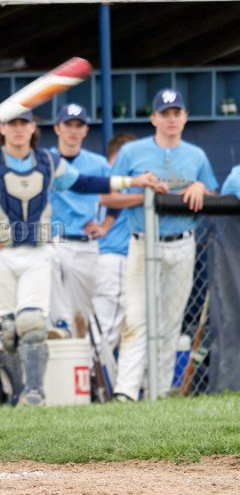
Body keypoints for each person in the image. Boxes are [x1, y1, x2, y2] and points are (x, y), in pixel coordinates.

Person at [0, 111, 159, 407]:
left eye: (24, 123)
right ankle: (16, 392)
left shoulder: (49, 162)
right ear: (1, 129)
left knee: (32, 324)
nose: (18, 129)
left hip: (38, 252)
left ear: (33, 127)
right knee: (7, 331)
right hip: (0, 254)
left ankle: (35, 392)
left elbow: (85, 183)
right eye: (12, 124)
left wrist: (134, 180)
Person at [104, 89, 218, 402]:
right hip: (144, 241)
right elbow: (107, 196)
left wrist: (200, 187)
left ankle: (160, 390)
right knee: (137, 317)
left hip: (182, 242)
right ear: (154, 118)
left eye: (176, 113)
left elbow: (212, 192)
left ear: (185, 117)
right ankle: (126, 391)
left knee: (171, 321)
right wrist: (145, 197)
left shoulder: (196, 155)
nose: (171, 119)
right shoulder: (132, 152)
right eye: (165, 114)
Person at [48, 104, 110, 339]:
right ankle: (59, 328)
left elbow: (114, 197)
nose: (73, 130)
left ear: (85, 130)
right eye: (68, 125)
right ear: (57, 128)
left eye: (78, 125)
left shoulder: (98, 163)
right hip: (54, 241)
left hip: (85, 243)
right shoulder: (44, 159)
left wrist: (106, 225)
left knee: (81, 314)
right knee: (55, 314)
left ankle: (82, 357)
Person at [91, 133, 137, 357]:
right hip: (112, 259)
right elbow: (107, 198)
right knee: (106, 332)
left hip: (98, 259)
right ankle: (88, 375)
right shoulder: (115, 180)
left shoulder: (96, 177)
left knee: (115, 330)